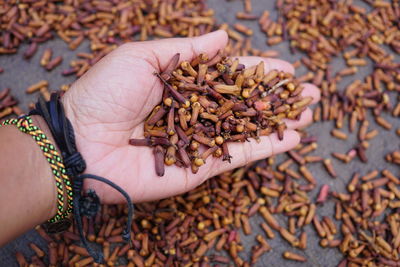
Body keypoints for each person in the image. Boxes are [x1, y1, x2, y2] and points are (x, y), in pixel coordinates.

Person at [0, 30, 320, 246]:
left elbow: (212, 115)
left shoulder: (213, 109)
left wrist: (58, 145)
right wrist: (75, 131)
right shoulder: (179, 111)